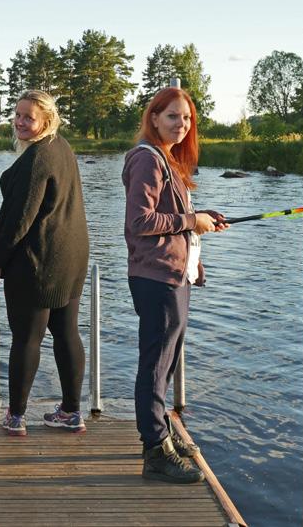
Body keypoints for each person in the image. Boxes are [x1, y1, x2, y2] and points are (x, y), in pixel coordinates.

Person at [122, 87, 229, 483]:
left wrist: (200, 218)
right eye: (172, 117)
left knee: (165, 362)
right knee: (154, 363)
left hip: (173, 275)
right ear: (153, 118)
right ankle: (155, 450)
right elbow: (139, 222)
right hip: (156, 278)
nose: (181, 125)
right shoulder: (147, 160)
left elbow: (173, 216)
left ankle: (162, 433)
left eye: (186, 119)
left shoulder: (168, 160)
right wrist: (190, 220)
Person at [0, 90, 89, 437]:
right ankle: (72, 411)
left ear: (46, 120)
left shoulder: (36, 159)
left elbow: (20, 219)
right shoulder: (61, 146)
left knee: (27, 339)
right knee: (65, 332)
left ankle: (16, 417)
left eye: (28, 117)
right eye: (16, 115)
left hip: (38, 261)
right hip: (71, 256)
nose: (19, 122)